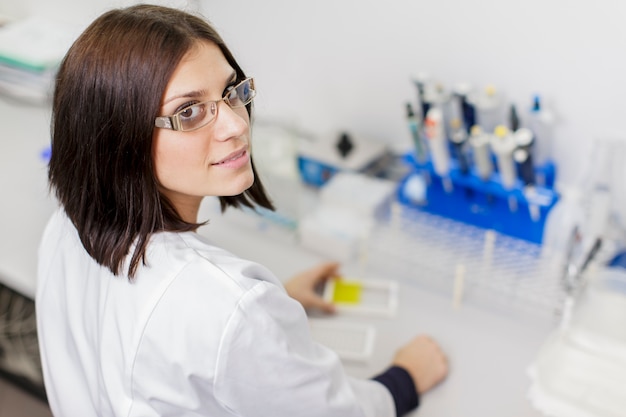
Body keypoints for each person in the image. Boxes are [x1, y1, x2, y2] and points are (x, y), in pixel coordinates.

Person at [36, 5, 448, 417]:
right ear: (119, 138)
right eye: (189, 111)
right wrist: (404, 379)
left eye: (231, 91)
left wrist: (264, 317)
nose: (236, 124)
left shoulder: (65, 225)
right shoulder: (222, 307)